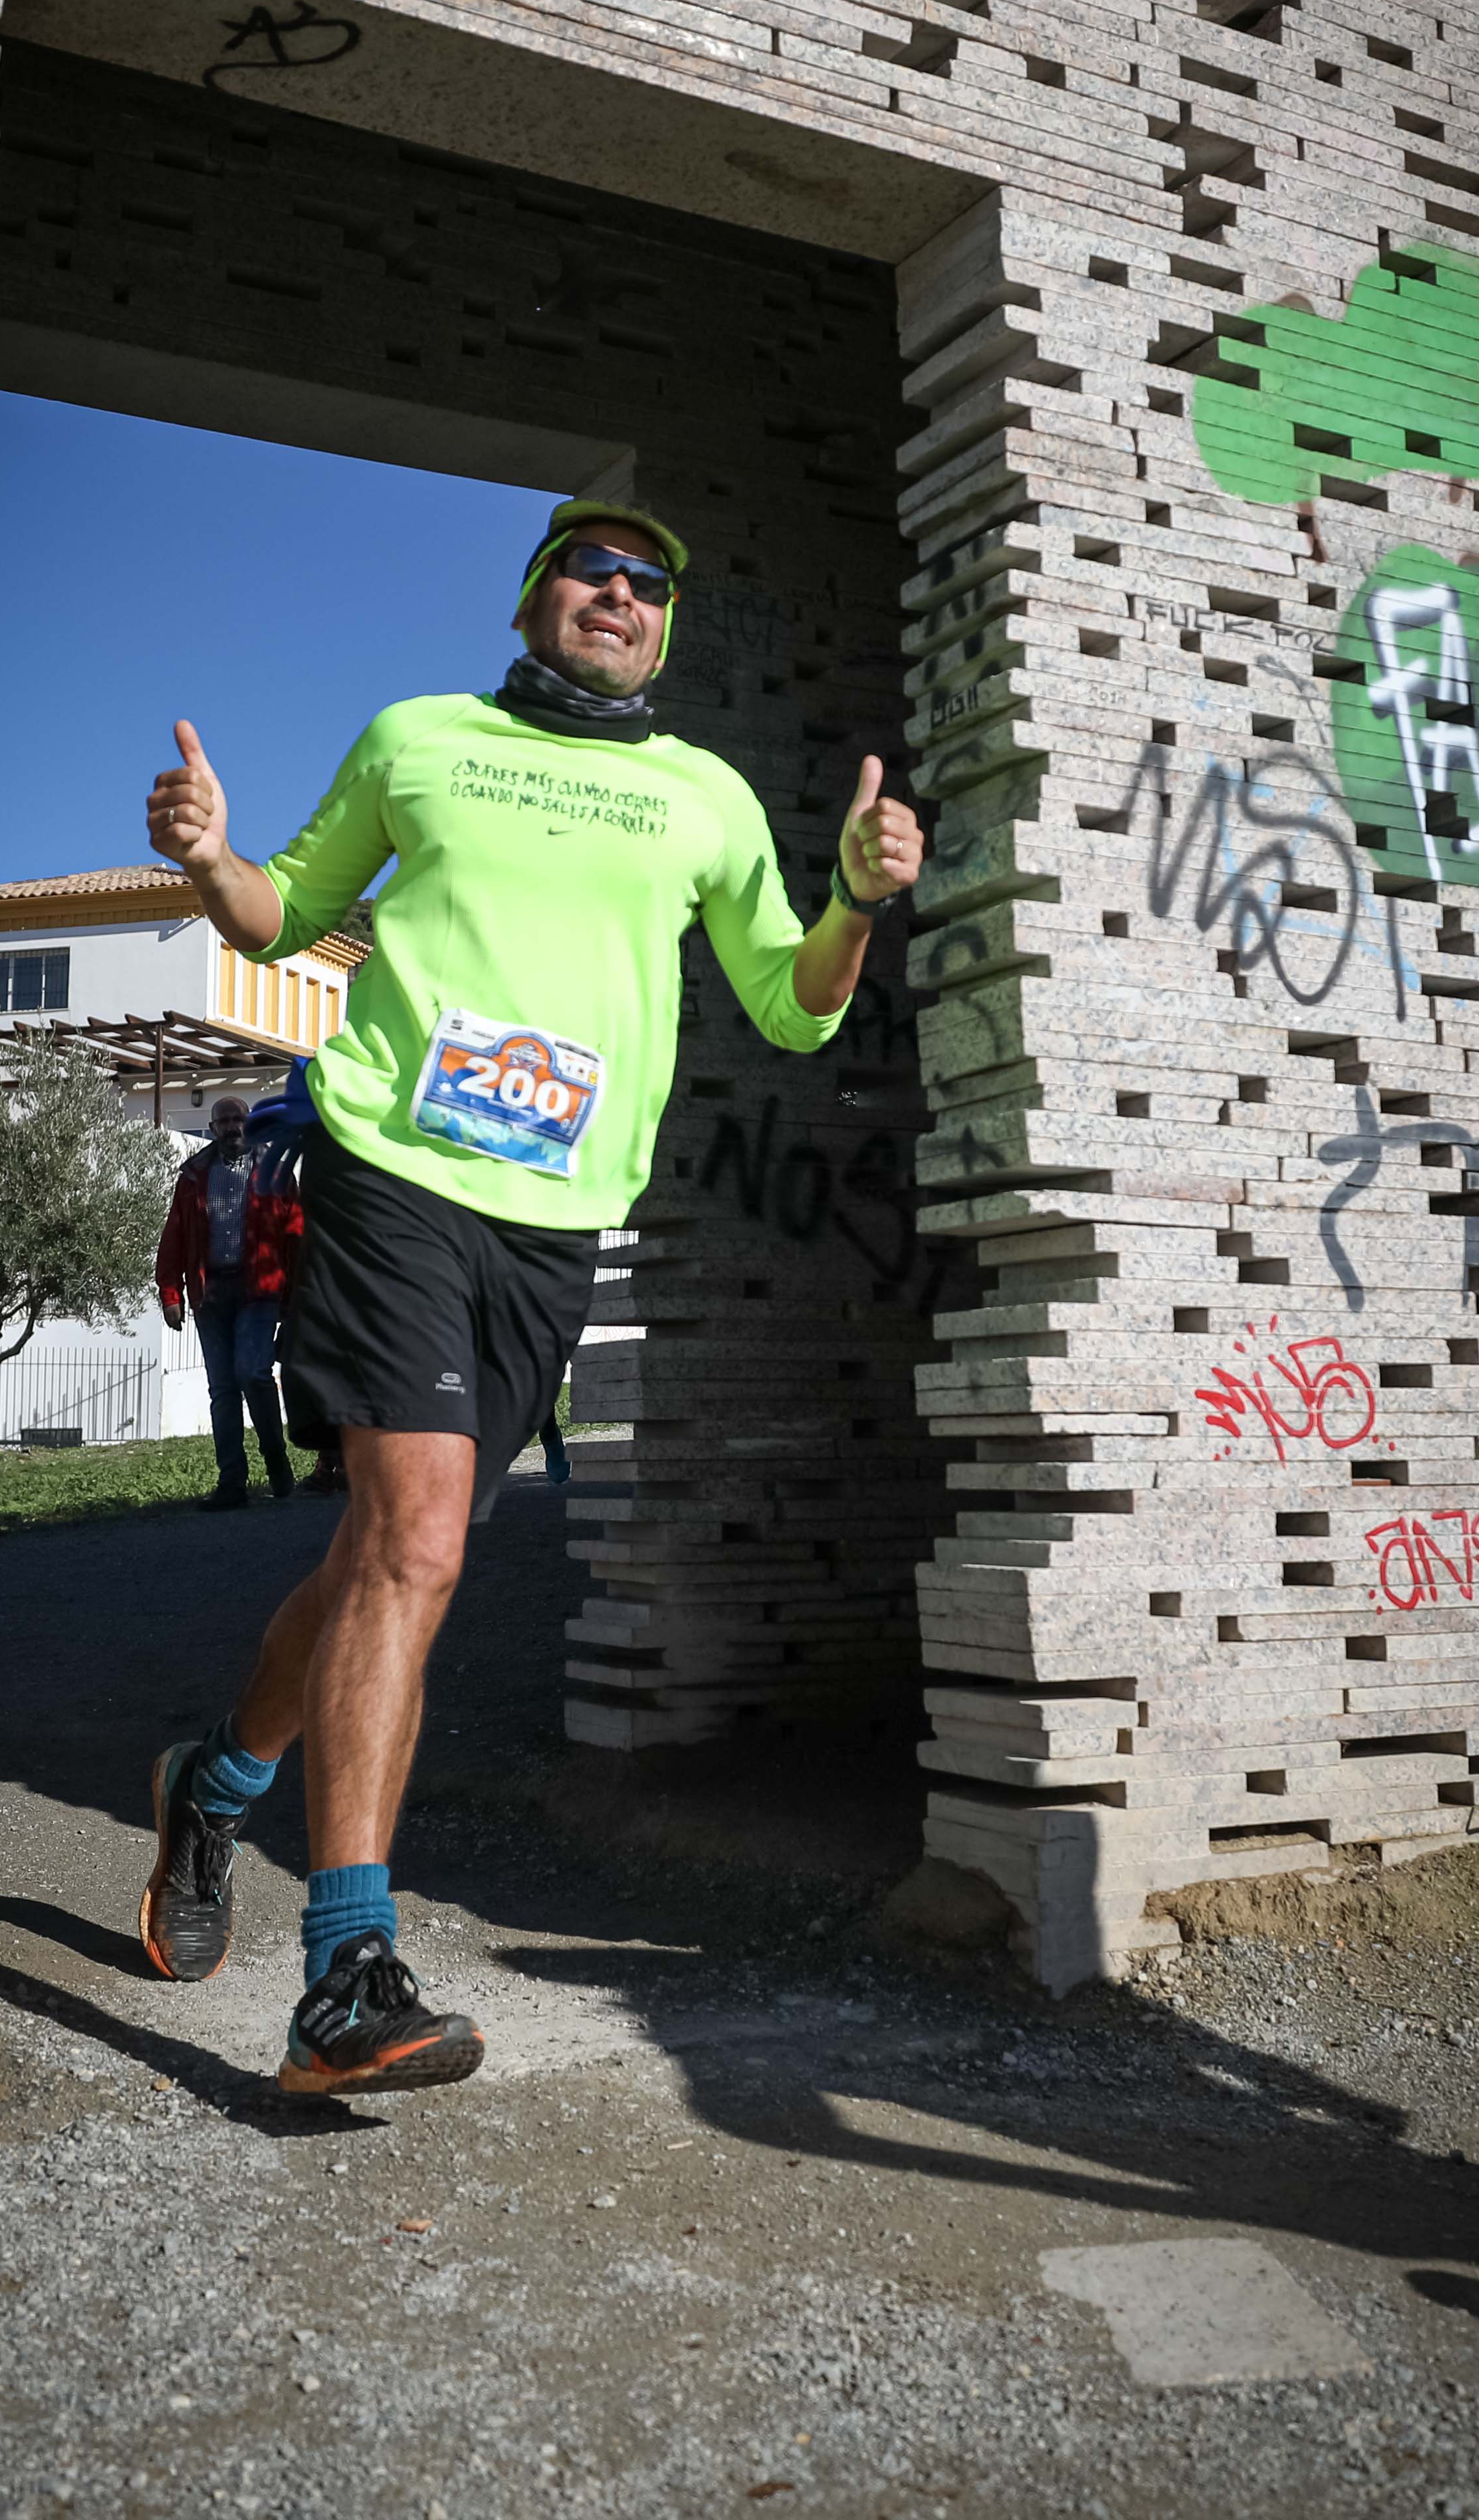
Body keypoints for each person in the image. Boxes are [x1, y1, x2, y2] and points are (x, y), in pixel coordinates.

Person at [137, 500, 924, 2093]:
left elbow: (792, 1010)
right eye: (589, 570)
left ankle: (213, 1786)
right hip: (391, 1170)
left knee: (385, 1553)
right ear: (529, 600)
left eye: (647, 582)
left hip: (554, 1221)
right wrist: (213, 861)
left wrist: (850, 904)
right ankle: (346, 1970)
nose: (617, 594)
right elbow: (287, 914)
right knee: (420, 1542)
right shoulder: (417, 739)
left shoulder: (701, 795)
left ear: (664, 622)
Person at [155, 1093, 302, 1511]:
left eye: (239, 1119)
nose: (233, 1127)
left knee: (252, 1373)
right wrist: (171, 1293)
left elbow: (296, 1236)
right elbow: (175, 1237)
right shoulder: (194, 1177)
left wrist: (295, 1296)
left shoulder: (276, 1173)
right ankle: (232, 1481)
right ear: (213, 1129)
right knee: (222, 1389)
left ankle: (276, 1463)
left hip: (260, 1291)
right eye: (225, 1121)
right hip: (211, 1295)